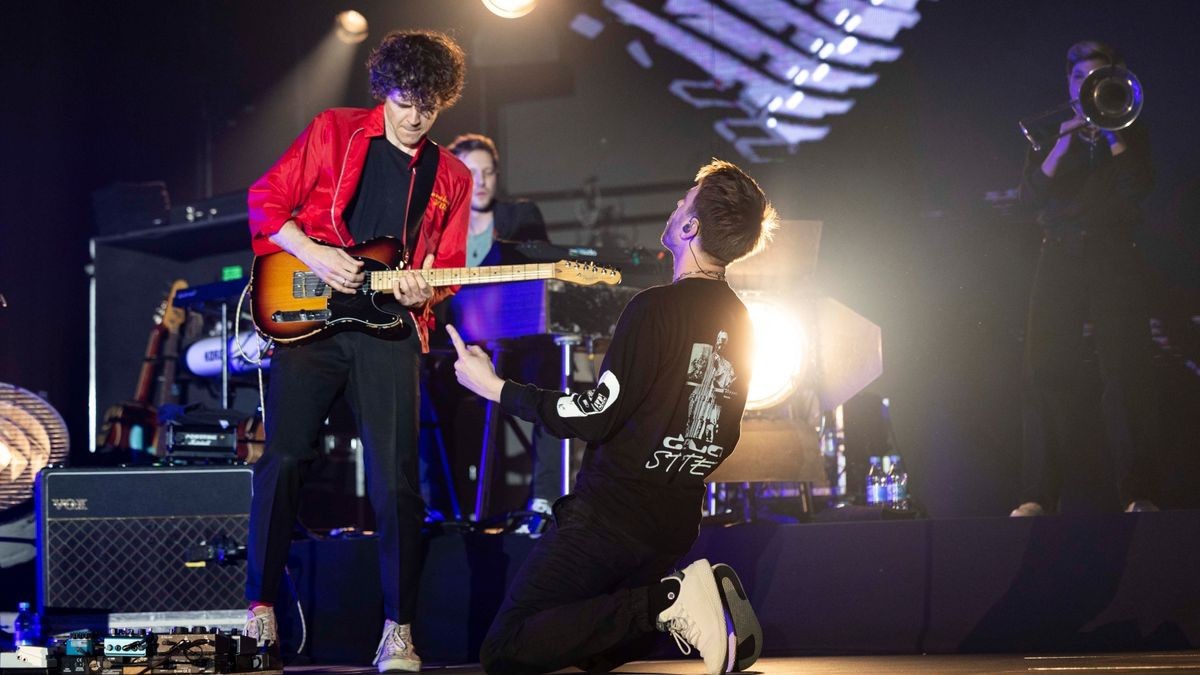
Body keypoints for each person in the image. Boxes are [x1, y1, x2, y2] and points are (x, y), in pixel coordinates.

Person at [447, 159, 775, 675]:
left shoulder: (653, 309)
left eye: (682, 202)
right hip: (673, 526)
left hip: (610, 519)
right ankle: (672, 602)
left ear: (689, 227)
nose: (674, 207)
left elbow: (595, 415)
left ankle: (668, 601)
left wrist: (495, 388)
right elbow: (722, 435)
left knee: (505, 648)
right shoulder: (743, 320)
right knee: (597, 652)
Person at [242, 30, 470, 673]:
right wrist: (316, 254)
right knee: (283, 460)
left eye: (429, 103)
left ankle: (398, 631)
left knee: (399, 479)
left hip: (389, 328)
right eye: (404, 99)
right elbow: (265, 201)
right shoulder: (333, 130)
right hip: (311, 318)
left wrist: (430, 284)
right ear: (384, 90)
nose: (415, 115)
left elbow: (446, 267)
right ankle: (259, 611)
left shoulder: (448, 174)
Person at [1012, 40, 1159, 517]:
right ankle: (1039, 495)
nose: (1086, 86)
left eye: (1095, 77)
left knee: (1124, 373)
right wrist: (1064, 140)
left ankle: (1139, 494)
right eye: (1078, 80)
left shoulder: (1131, 128)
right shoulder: (1052, 134)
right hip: (1058, 256)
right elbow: (1029, 197)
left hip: (1113, 255)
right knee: (1045, 372)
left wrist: (1114, 131)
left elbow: (1139, 189)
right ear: (1070, 85)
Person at [441, 133, 562, 530]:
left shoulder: (520, 216)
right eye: (471, 173)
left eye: (488, 172)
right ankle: (448, 509)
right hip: (458, 346)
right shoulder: (439, 225)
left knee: (551, 385)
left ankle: (544, 500)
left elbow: (538, 268)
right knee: (429, 396)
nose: (482, 181)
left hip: (518, 342)